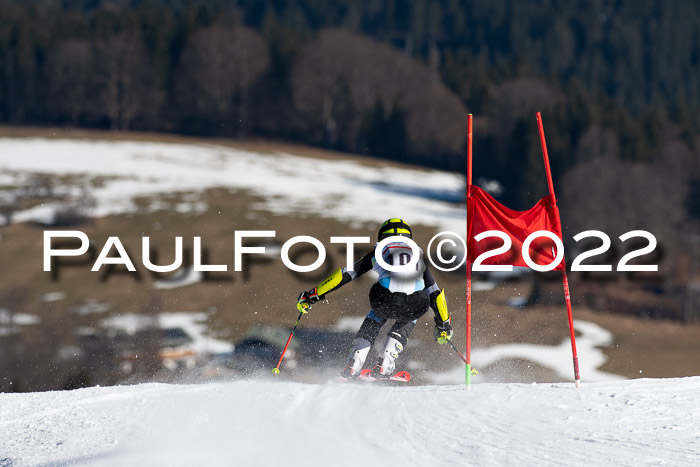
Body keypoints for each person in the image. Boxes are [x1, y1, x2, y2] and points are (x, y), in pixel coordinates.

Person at [296, 218, 453, 379]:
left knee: (376, 314)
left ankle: (354, 363)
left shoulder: (379, 250)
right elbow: (435, 293)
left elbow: (344, 275)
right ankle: (385, 363)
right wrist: (443, 324)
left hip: (384, 298)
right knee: (410, 315)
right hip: (416, 302)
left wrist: (313, 295)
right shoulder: (418, 254)